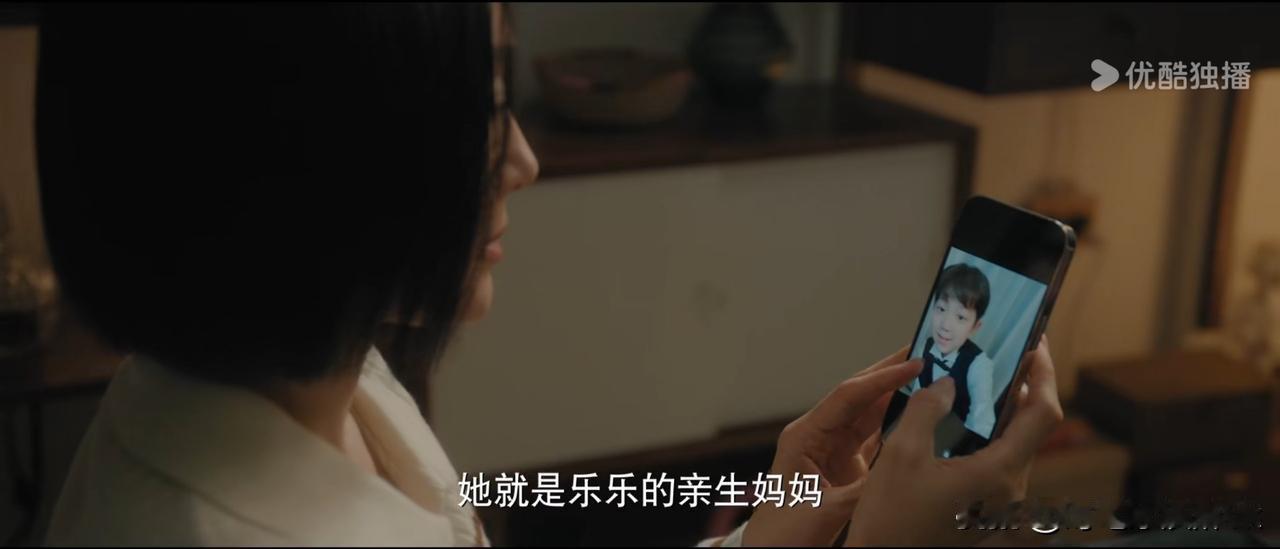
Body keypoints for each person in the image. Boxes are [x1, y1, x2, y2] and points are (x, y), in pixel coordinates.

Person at [36, 3, 1063, 546]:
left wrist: (767, 540)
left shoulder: (277, 368)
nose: (523, 160)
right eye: (485, 109)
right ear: (317, 147)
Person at [906, 263, 999, 439]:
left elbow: (982, 423)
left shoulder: (979, 364)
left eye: (961, 317)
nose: (946, 325)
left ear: (975, 327)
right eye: (941, 309)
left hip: (950, 443)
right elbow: (917, 393)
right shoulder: (926, 345)